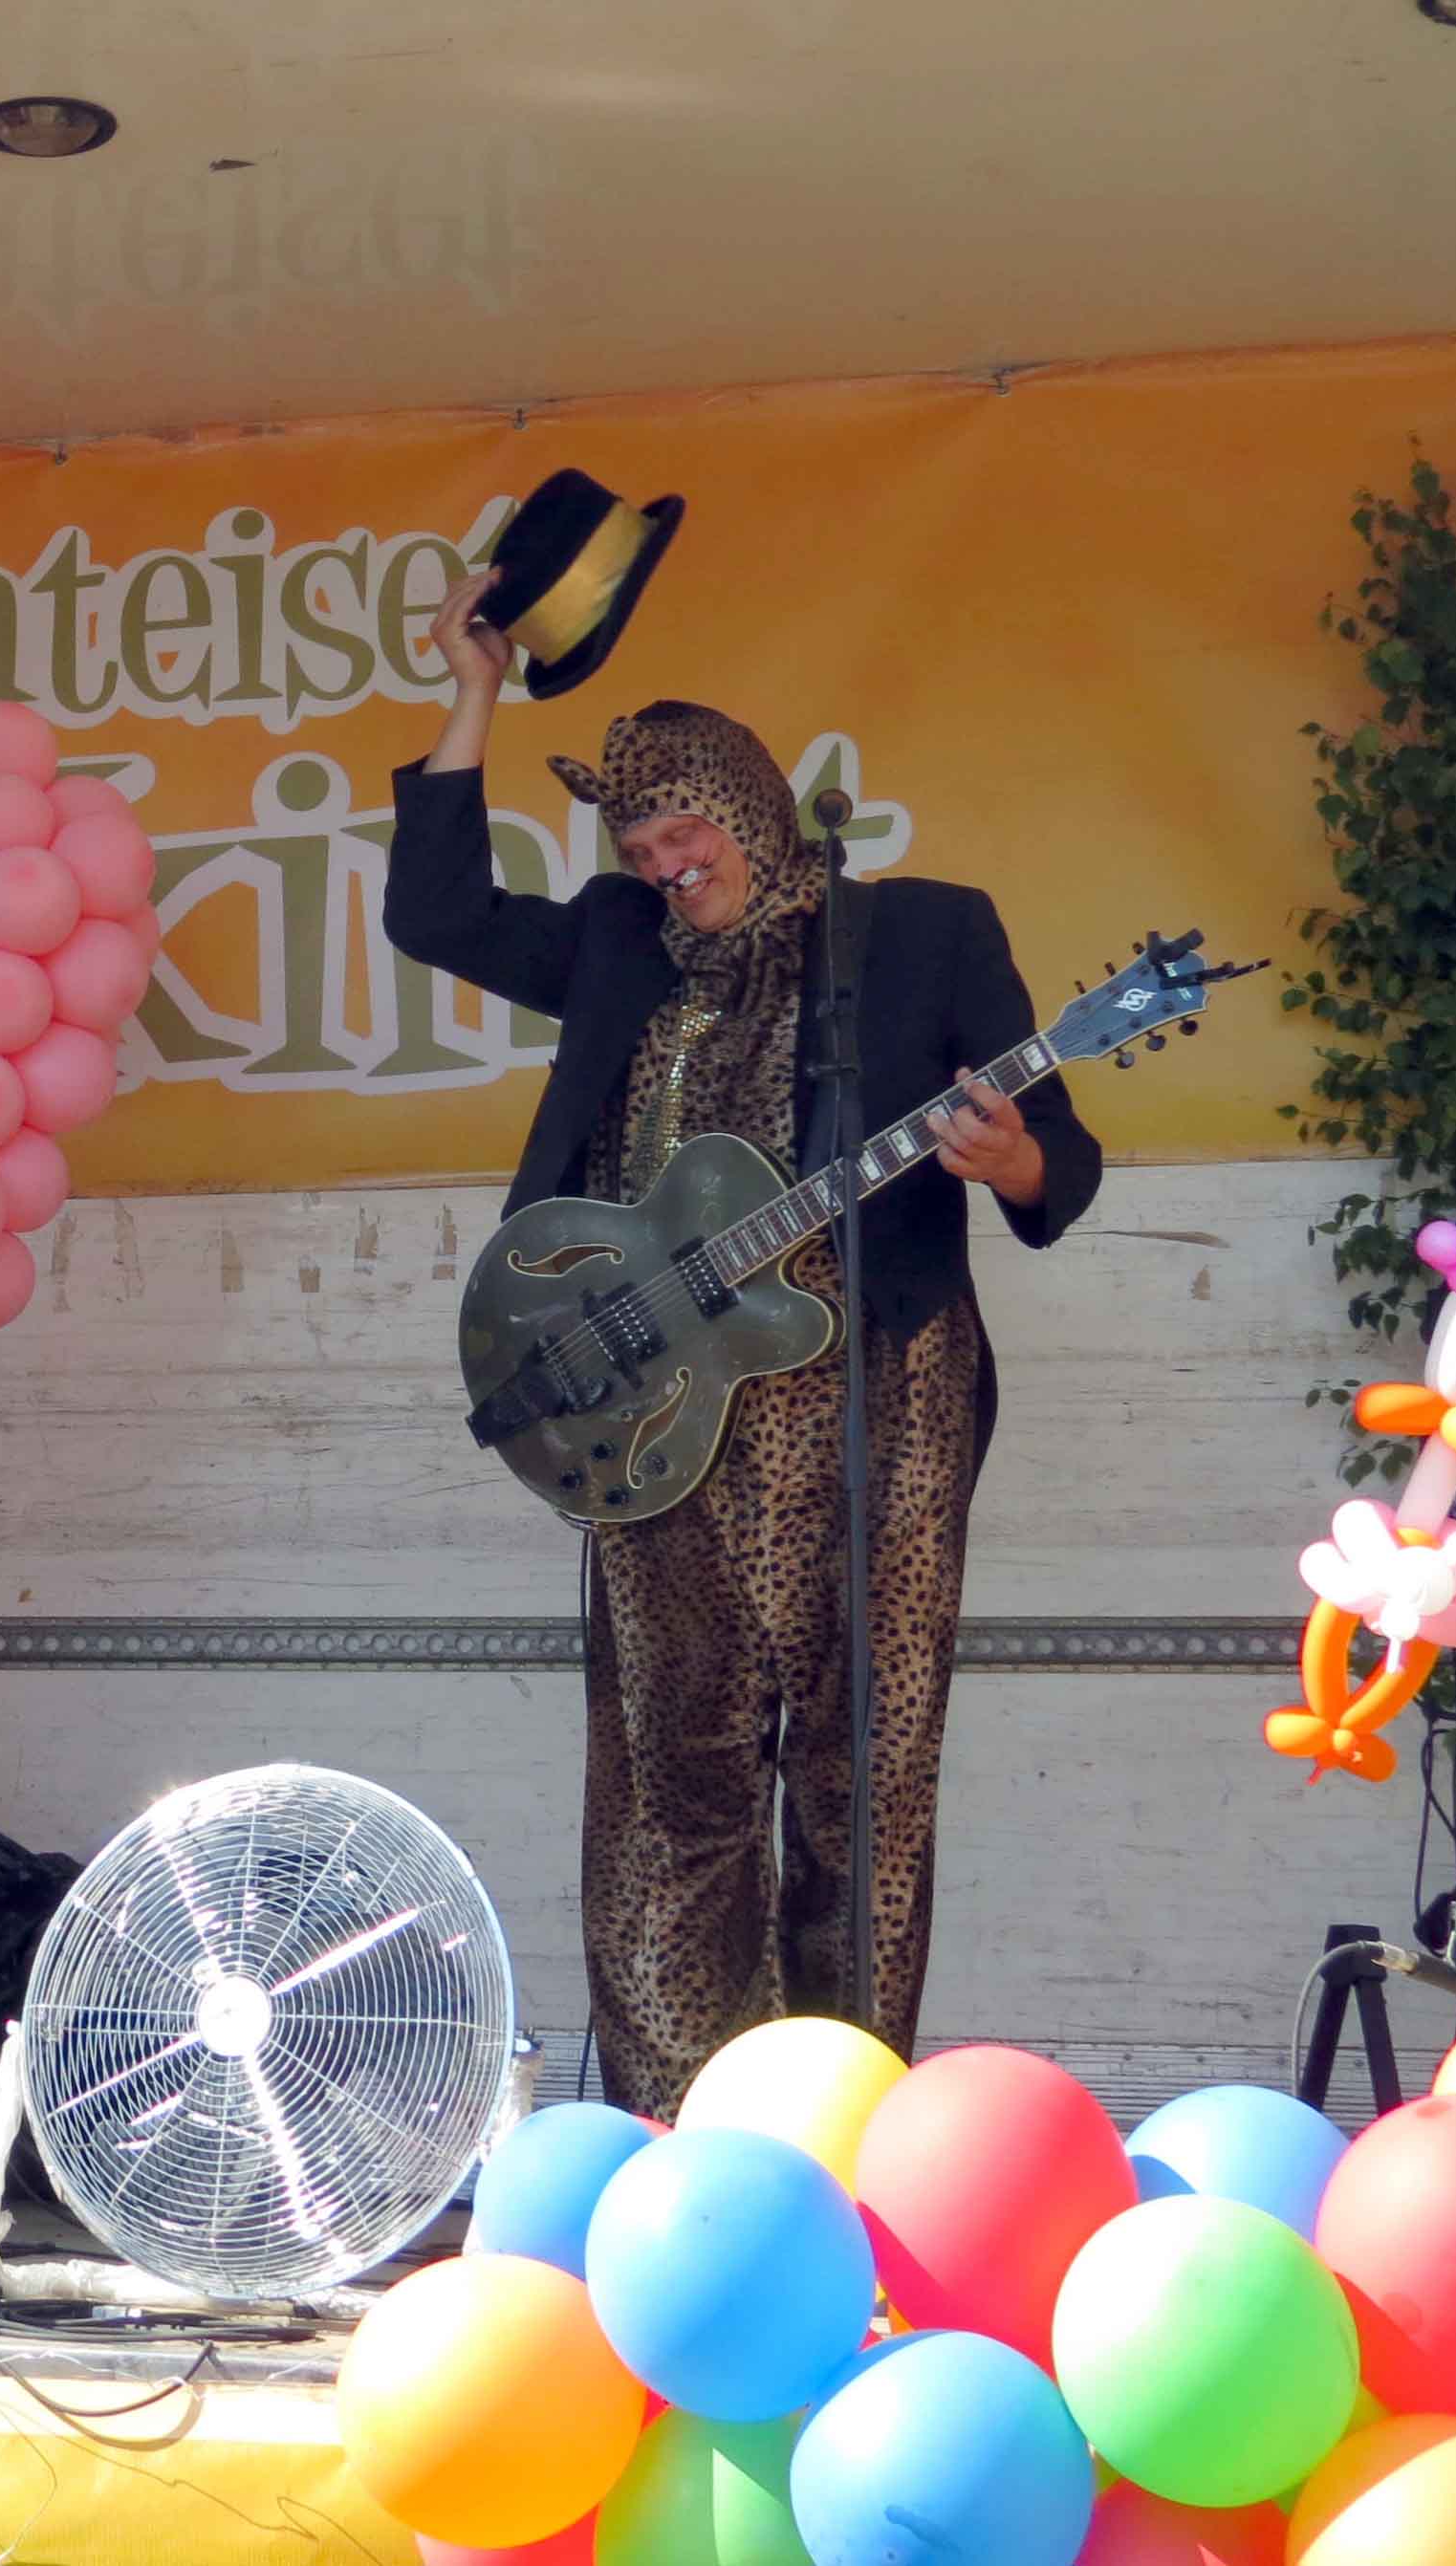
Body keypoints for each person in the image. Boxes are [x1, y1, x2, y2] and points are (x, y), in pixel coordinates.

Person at [382, 572, 1103, 2117]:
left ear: (750, 807)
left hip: (877, 1403)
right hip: (658, 1411)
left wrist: (1010, 1163)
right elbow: (432, 915)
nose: (662, 866)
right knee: (672, 1778)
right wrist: (472, 690)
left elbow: (1062, 1155)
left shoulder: (921, 937)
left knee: (860, 1781)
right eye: (636, 849)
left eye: (679, 833)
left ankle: (844, 2119)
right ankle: (680, 2127)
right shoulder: (617, 944)